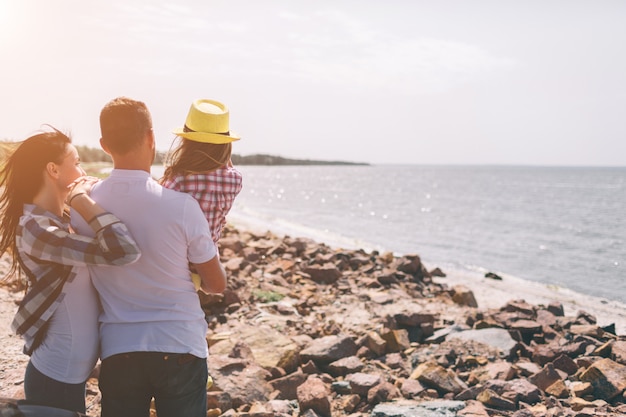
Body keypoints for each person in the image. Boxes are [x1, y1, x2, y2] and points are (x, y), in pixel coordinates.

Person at [70, 97, 227, 417]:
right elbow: (216, 284)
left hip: (120, 349)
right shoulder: (181, 206)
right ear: (152, 138)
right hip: (181, 345)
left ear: (103, 145)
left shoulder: (82, 207)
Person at [0, 127, 141, 413]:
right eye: (76, 162)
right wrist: (82, 199)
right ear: (53, 169)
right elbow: (123, 250)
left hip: (69, 376)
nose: (82, 171)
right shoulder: (36, 229)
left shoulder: (61, 222)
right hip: (55, 376)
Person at [160, 98, 243, 288]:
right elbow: (225, 168)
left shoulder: (177, 179)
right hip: (206, 264)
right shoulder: (235, 180)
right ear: (226, 145)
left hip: (175, 262)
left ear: (186, 143)